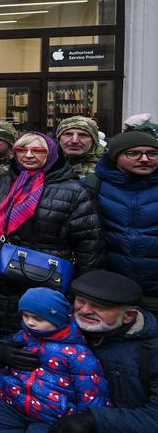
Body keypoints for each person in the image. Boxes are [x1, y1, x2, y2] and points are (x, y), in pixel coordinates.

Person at [0, 131, 104, 334]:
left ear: (51, 154)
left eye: (37, 150)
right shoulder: (1, 182)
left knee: (36, 331)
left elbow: (89, 243)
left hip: (45, 275)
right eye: (22, 150)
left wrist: (82, 290)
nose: (28, 155)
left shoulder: (74, 190)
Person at [0, 288, 111, 433]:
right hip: (16, 405)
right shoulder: (23, 337)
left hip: (52, 418)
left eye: (38, 318)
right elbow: (5, 372)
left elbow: (93, 397)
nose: (30, 322)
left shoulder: (78, 355)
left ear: (58, 318)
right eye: (26, 315)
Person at [47, 271, 158, 433]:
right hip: (69, 420)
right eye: (81, 301)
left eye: (100, 306)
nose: (85, 310)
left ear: (129, 316)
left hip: (123, 430)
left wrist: (94, 421)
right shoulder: (69, 326)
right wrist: (2, 351)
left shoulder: (151, 350)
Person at [91, 131, 158, 312]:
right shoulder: (92, 186)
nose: (144, 159)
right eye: (133, 153)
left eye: (152, 153)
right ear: (115, 157)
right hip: (110, 289)